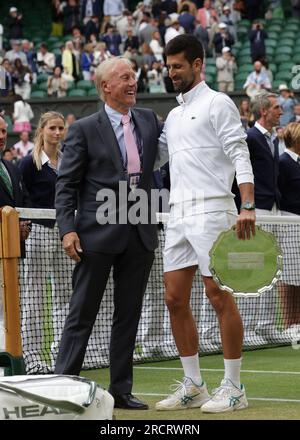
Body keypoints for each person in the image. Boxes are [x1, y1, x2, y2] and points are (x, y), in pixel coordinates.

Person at [54, 57, 165, 410]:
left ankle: (121, 389)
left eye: (134, 76)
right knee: (81, 313)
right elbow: (66, 183)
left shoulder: (148, 119)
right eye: (125, 77)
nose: (133, 82)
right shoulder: (84, 128)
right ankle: (62, 387)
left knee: (128, 314)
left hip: (141, 230)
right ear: (106, 86)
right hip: (95, 234)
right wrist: (67, 229)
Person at [155, 35, 255, 413]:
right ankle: (195, 384)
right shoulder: (175, 115)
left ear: (198, 64)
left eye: (177, 66)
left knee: (219, 296)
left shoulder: (218, 102)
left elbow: (238, 152)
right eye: (168, 67)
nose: (171, 73)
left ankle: (234, 387)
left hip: (215, 211)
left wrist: (247, 204)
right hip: (178, 214)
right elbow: (153, 159)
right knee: (174, 298)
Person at [19, 112, 70, 373]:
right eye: (53, 128)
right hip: (38, 231)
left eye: (61, 128)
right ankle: (32, 358)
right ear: (42, 131)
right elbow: (22, 196)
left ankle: (62, 354)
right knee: (35, 295)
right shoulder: (29, 163)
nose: (57, 132)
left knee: (66, 294)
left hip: (65, 233)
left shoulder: (67, 161)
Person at [277, 122, 300, 340]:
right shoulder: (283, 162)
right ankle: (289, 324)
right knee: (289, 277)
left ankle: (298, 323)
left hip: (299, 223)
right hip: (289, 222)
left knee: (298, 276)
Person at [0, 115, 30, 239]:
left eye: (3, 131)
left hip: (16, 245)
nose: (1, 136)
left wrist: (24, 224)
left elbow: (25, 199)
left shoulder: (13, 168)